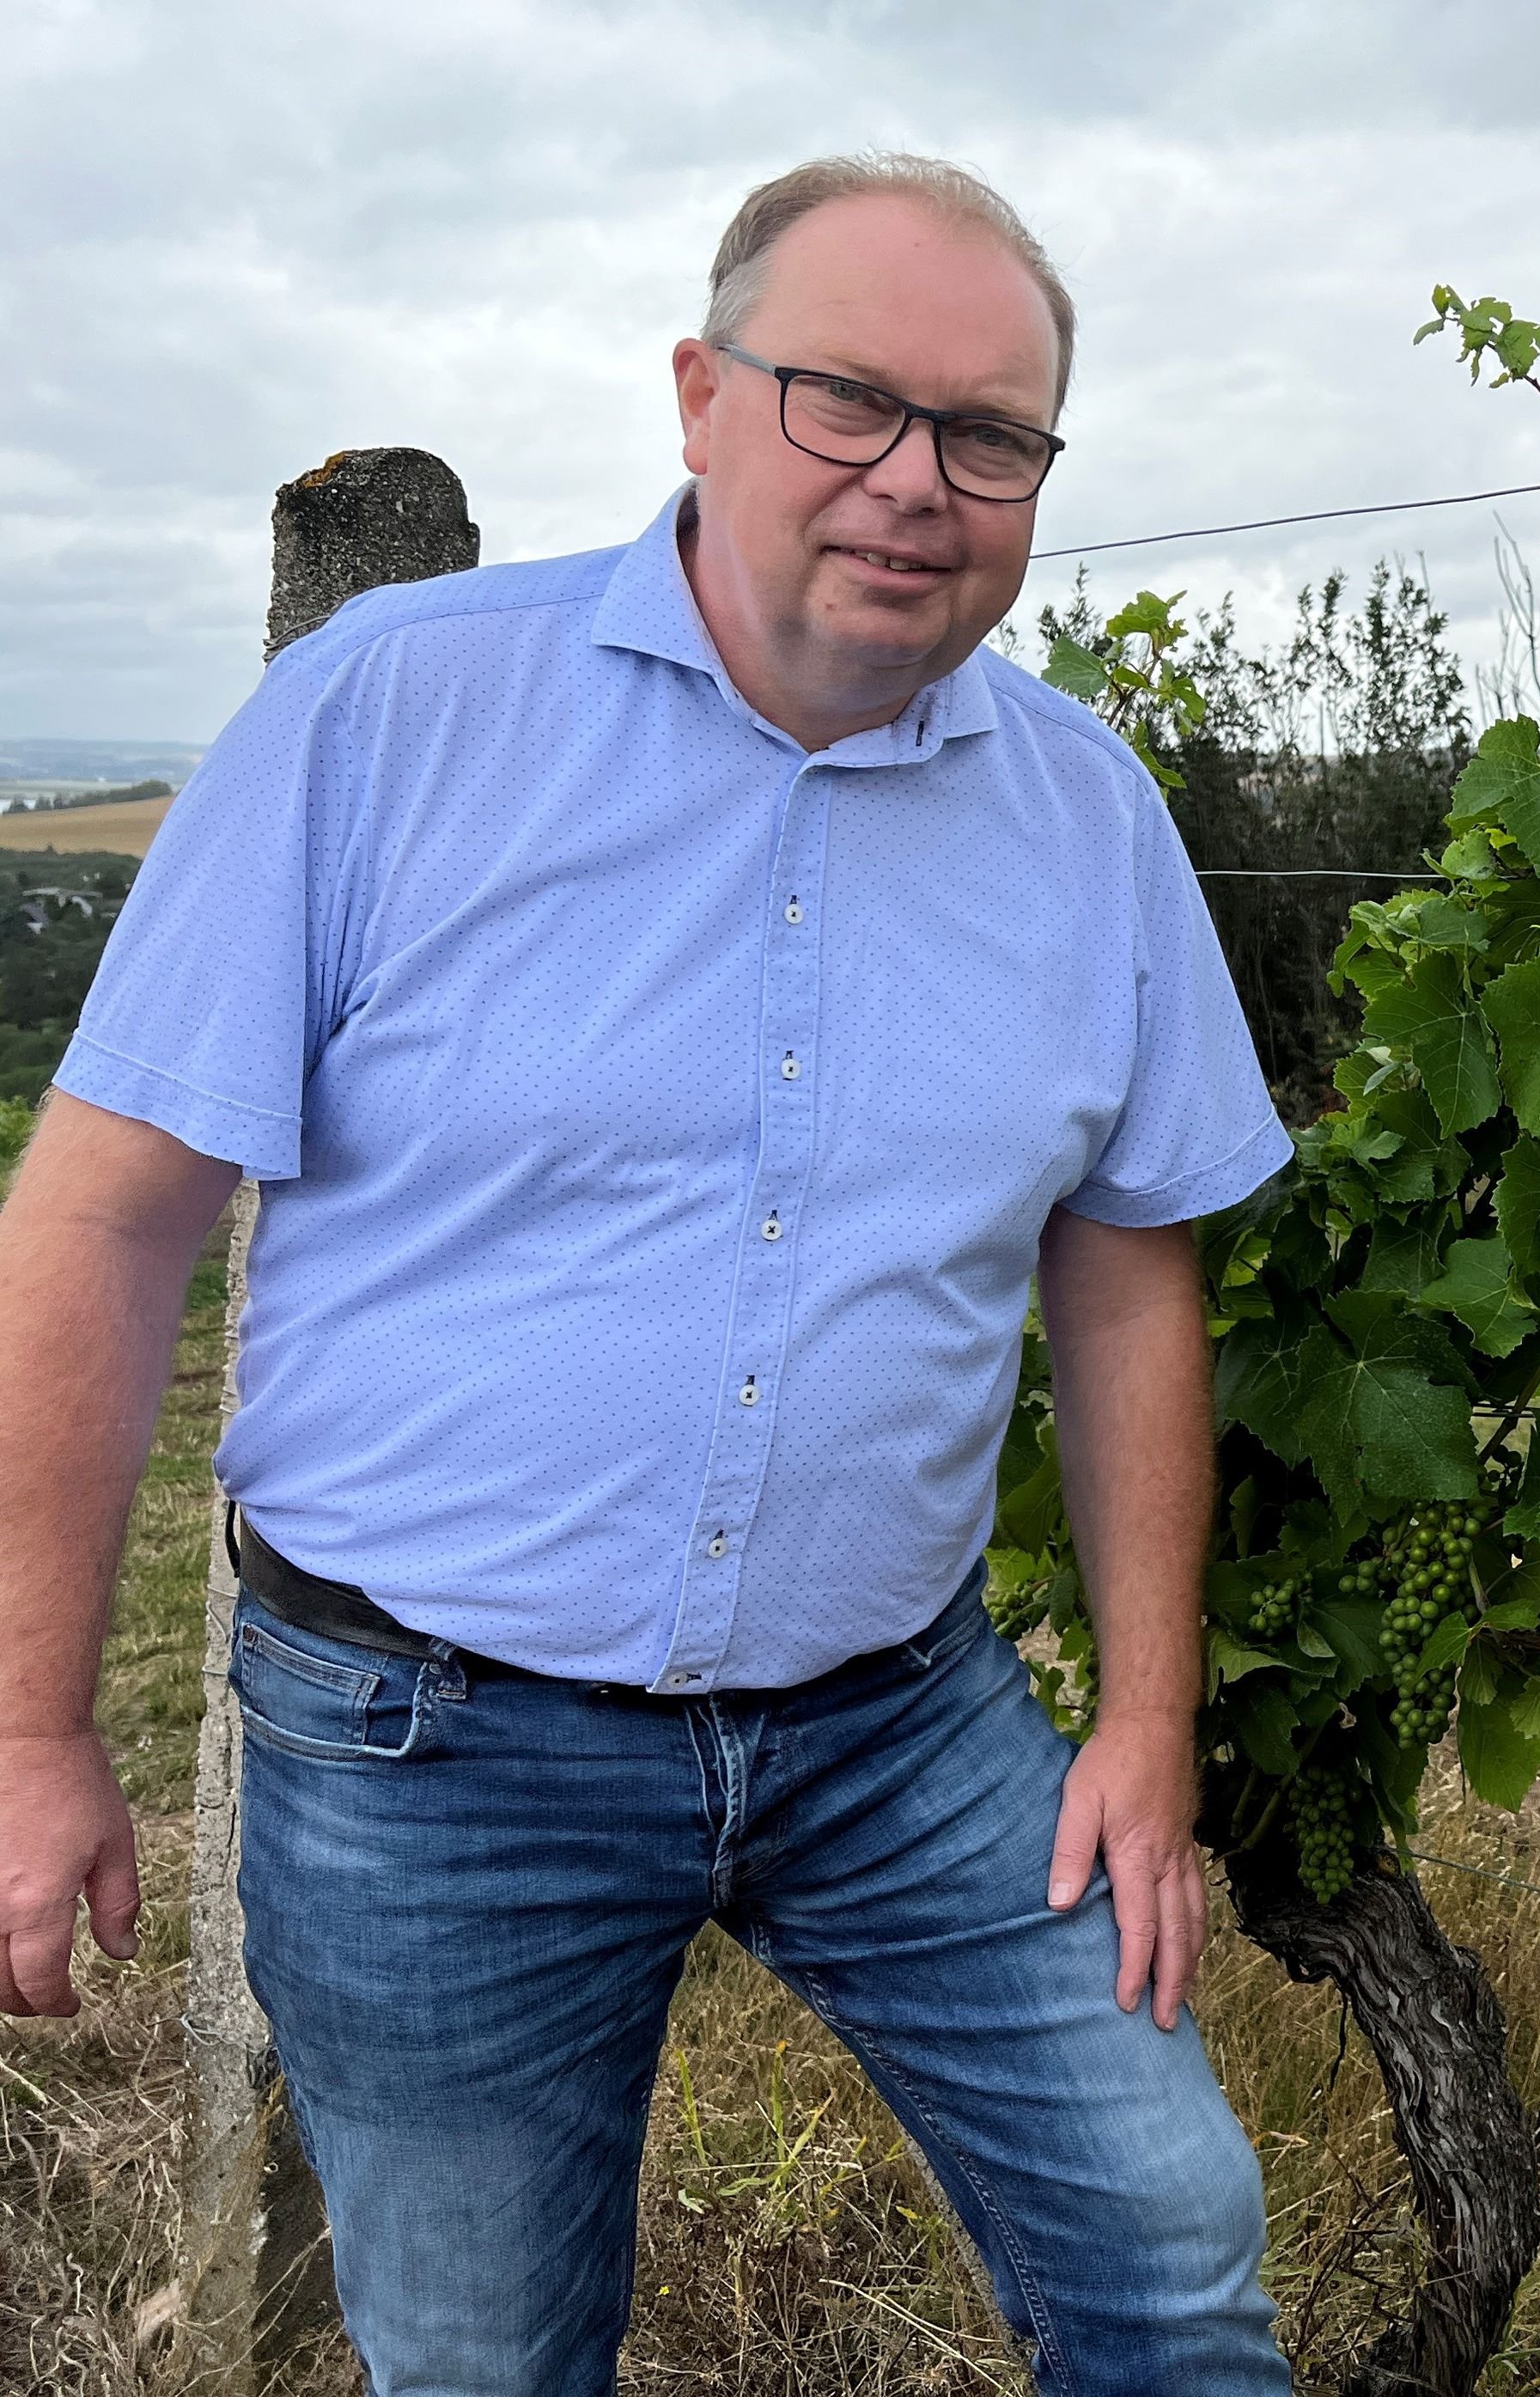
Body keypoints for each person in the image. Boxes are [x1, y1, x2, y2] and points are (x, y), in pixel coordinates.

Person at [0, 153, 1296, 2395]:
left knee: (1174, 2252)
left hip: (902, 1720)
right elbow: (101, 1227)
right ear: (700, 397)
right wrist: (28, 1732)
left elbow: (1125, 1267)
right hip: (429, 1746)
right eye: (846, 403)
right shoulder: (391, 717)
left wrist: (1151, 1724)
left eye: (990, 436)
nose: (918, 481)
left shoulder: (1084, 816)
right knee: (488, 2361)